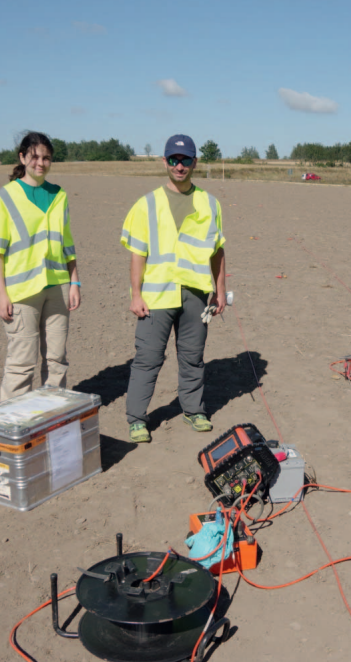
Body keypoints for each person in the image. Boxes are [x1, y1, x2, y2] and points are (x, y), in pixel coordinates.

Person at [120, 134, 226, 443]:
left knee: (192, 356)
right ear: (164, 162)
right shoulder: (146, 204)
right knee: (148, 358)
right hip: (156, 295)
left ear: (195, 162)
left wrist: (220, 290)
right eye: (173, 160)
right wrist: (136, 295)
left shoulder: (210, 203)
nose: (179, 166)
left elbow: (218, 252)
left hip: (196, 294)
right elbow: (137, 254)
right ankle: (137, 418)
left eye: (185, 160)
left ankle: (194, 410)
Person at [0, 131, 81, 401]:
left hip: (58, 288)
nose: (41, 163)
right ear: (22, 158)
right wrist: (1, 294)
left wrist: (75, 281)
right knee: (22, 364)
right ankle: (11, 430)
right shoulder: (2, 199)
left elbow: (67, 243)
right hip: (20, 292)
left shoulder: (59, 195)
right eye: (34, 157)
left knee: (57, 361)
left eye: (46, 158)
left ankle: (52, 420)